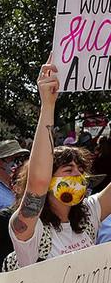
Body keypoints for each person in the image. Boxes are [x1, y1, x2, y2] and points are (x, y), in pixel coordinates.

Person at [7, 61, 111, 269]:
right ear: (49, 177)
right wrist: (48, 105)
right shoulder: (30, 230)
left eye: (81, 171)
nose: (77, 176)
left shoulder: (88, 215)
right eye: (68, 170)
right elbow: (37, 183)